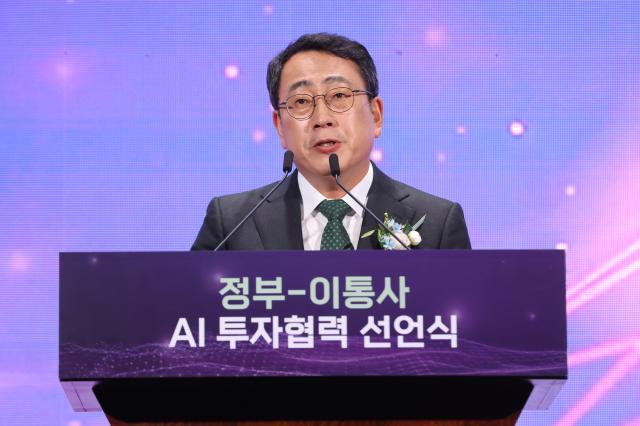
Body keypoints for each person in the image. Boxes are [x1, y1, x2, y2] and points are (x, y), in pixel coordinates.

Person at [192, 33, 471, 251]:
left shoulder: (437, 223)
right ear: (279, 127)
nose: (322, 119)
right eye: (301, 102)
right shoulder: (232, 223)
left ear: (375, 115)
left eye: (339, 96)